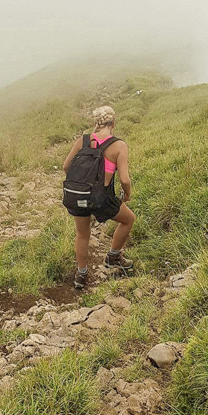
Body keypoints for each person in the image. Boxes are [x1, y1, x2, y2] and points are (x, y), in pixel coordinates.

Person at [62, 105, 136, 289]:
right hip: (101, 199)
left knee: (82, 234)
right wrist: (127, 194)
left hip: (79, 196)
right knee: (128, 219)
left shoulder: (83, 140)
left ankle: (81, 275)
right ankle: (113, 256)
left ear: (96, 123)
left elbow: (65, 167)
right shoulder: (119, 146)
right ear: (114, 122)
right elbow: (124, 179)